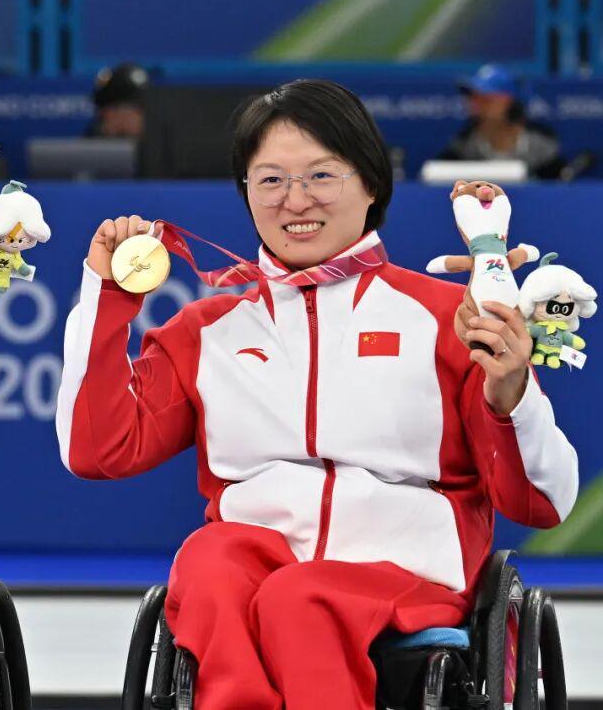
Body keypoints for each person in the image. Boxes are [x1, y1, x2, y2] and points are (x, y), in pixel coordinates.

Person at [56, 79, 578, 709]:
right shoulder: (207, 331)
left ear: (372, 183)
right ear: (247, 193)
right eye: (270, 180)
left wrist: (511, 390)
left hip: (405, 569)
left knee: (298, 598)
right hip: (257, 561)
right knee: (209, 559)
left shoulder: (450, 319)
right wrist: (107, 298)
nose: (295, 199)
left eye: (321, 176)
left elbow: (541, 500)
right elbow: (97, 449)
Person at [438, 63, 564, 179]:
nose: (476, 103)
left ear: (511, 102)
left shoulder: (542, 148)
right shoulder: (462, 148)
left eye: (487, 98)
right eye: (473, 97)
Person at [87, 62, 149, 139]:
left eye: (135, 111)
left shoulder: (155, 141)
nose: (129, 119)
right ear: (105, 113)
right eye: (118, 109)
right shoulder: (87, 143)